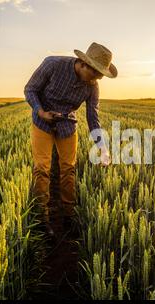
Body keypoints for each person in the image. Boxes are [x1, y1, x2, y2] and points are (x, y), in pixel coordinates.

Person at [24, 42, 116, 240]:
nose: (96, 80)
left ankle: (68, 215)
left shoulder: (93, 87)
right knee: (42, 168)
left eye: (100, 76)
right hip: (42, 121)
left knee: (68, 168)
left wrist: (103, 148)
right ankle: (42, 219)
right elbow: (30, 90)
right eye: (95, 74)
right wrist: (41, 112)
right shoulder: (52, 65)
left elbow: (93, 118)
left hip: (67, 125)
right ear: (83, 64)